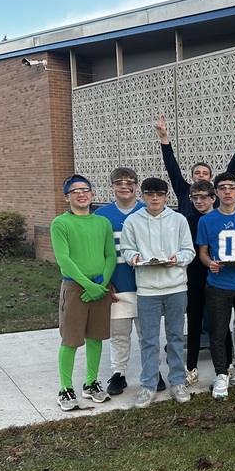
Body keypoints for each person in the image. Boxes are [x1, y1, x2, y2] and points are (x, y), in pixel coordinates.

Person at [121, 177, 195, 408]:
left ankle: (177, 381)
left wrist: (177, 258)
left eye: (159, 194)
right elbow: (126, 249)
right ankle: (148, 384)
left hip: (176, 287)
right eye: (150, 194)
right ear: (142, 196)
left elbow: (189, 251)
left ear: (166, 196)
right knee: (149, 339)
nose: (155, 198)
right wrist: (134, 257)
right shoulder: (133, 221)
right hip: (147, 289)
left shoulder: (178, 219)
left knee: (175, 337)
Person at [50, 175, 116, 411]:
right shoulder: (61, 223)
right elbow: (64, 259)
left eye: (85, 190)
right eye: (75, 191)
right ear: (66, 197)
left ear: (92, 194)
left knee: (95, 337)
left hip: (100, 287)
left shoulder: (103, 223)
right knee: (70, 339)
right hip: (75, 287)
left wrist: (101, 284)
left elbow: (110, 255)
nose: (81, 194)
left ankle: (91, 383)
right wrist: (87, 285)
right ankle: (66, 388)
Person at [196, 172, 235, 400]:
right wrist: (210, 264)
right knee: (218, 331)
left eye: (231, 187)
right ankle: (221, 373)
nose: (227, 191)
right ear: (216, 193)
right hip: (217, 284)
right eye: (222, 187)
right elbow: (203, 253)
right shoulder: (206, 220)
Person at [93, 167, 145, 396]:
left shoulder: (147, 211)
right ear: (112, 186)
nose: (124, 186)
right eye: (119, 182)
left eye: (129, 182)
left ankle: (151, 371)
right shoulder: (101, 215)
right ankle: (118, 373)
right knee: (119, 335)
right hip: (116, 284)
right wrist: (104, 282)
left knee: (147, 335)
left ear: (136, 186)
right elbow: (96, 253)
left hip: (145, 284)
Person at [155, 115, 235, 217]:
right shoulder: (183, 190)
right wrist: (164, 137)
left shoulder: (217, 192)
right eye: (197, 173)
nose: (201, 175)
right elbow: (171, 167)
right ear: (192, 176)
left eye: (205, 173)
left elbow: (231, 171)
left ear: (210, 177)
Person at [183, 180, 217, 387]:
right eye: (195, 197)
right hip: (194, 277)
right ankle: (191, 368)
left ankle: (226, 367)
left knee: (219, 325)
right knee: (194, 323)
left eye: (203, 197)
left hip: (218, 277)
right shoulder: (186, 221)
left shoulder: (220, 218)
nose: (199, 201)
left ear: (213, 198)